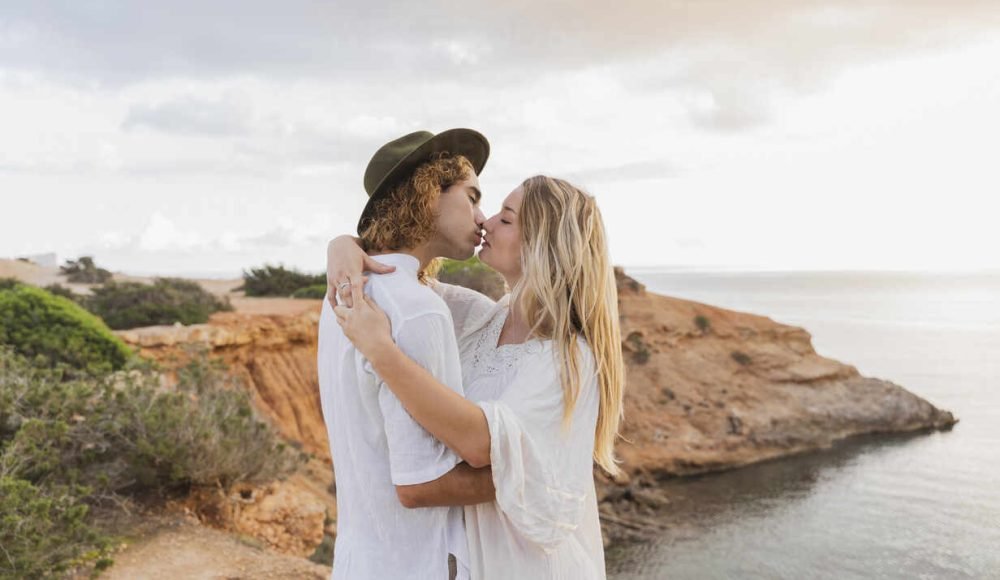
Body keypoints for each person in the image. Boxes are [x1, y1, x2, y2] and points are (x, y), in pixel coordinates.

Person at [328, 175, 625, 579]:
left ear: (543, 242)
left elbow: (478, 443)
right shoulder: (480, 316)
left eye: (507, 218)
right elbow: (399, 277)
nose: (486, 223)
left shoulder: (570, 359)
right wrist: (342, 245)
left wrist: (381, 352)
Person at [317, 128, 498, 580]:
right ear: (427, 194)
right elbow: (420, 485)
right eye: (471, 197)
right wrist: (543, 476)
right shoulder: (418, 310)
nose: (482, 217)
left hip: (361, 562)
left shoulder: (343, 295)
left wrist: (343, 242)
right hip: (420, 565)